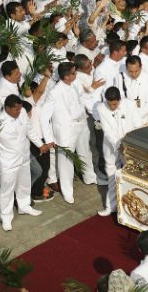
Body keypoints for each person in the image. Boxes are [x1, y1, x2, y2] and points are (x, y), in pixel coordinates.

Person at [40, 62, 97, 204]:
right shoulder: (54, 93)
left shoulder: (75, 83)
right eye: (73, 73)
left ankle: (90, 177)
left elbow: (83, 98)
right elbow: (44, 117)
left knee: (85, 152)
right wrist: (49, 139)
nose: (76, 74)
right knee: (66, 162)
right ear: (66, 76)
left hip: (81, 123)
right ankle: (67, 191)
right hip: (66, 130)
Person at [0, 95, 46, 231]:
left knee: (24, 183)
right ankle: (6, 216)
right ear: (7, 108)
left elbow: (29, 130)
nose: (19, 112)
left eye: (19, 109)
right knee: (7, 190)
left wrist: (40, 144)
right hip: (8, 161)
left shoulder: (23, 112)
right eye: (16, 110)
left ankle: (24, 206)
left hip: (23, 156)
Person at [95, 87, 143, 216]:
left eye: (114, 104)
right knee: (111, 176)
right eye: (109, 104)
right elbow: (107, 130)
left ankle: (134, 206)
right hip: (111, 147)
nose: (112, 107)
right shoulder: (101, 108)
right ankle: (111, 206)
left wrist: (129, 144)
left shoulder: (130, 104)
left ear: (119, 100)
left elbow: (137, 125)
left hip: (130, 146)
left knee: (132, 174)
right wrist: (119, 145)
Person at [112, 55, 148, 123]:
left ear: (141, 67)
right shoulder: (119, 78)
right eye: (130, 71)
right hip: (125, 119)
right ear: (126, 68)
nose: (133, 74)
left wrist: (135, 117)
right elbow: (118, 99)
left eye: (136, 71)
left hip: (144, 120)